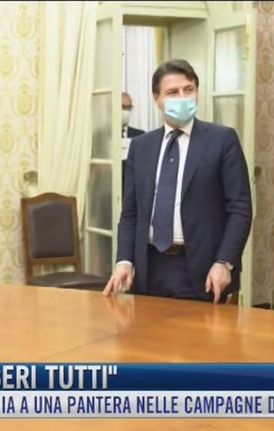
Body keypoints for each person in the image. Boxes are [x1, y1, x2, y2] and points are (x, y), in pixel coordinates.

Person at [103, 59, 252, 303]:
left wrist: (225, 262)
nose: (182, 97)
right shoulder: (141, 147)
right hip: (149, 269)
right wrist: (124, 261)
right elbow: (130, 213)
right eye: (172, 92)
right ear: (157, 99)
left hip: (204, 271)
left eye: (188, 89)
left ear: (197, 92)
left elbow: (240, 209)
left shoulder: (222, 140)